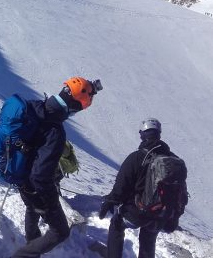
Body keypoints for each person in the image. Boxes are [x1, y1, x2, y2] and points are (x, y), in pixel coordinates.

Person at [12, 77, 101, 258]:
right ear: (75, 106)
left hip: (19, 173)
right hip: (34, 183)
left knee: (32, 209)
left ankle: (32, 246)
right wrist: (52, 202)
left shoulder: (35, 106)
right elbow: (40, 176)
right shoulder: (55, 132)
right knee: (60, 231)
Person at [99, 118, 186, 258]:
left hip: (137, 211)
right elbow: (181, 193)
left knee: (117, 224)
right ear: (159, 134)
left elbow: (121, 185)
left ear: (142, 134)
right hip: (160, 214)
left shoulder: (137, 157)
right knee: (149, 237)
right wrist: (174, 217)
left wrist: (110, 201)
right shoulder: (174, 161)